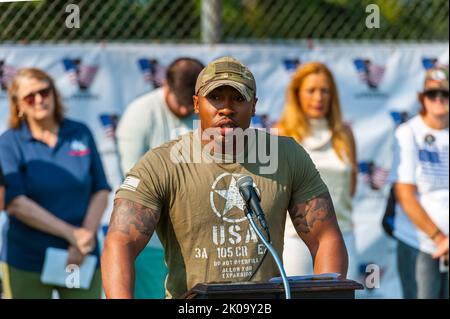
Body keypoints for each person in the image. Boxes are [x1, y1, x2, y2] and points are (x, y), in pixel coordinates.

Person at [102, 56, 348, 299]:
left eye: (238, 98)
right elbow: (120, 242)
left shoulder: (286, 156)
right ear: (197, 104)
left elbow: (325, 238)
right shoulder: (162, 163)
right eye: (215, 97)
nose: (227, 108)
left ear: (254, 105)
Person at [0, 68, 111, 298]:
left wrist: (84, 238)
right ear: (18, 105)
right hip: (28, 259)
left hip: (78, 257)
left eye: (44, 91)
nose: (39, 100)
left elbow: (100, 189)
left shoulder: (80, 132)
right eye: (30, 97)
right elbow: (15, 202)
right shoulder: (10, 142)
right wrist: (71, 233)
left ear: (54, 93)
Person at [116, 57, 204, 299]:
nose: (187, 110)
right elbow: (133, 179)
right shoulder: (140, 114)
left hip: (198, 240)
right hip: (151, 239)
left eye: (192, 104)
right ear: (165, 84)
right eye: (181, 102)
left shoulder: (208, 113)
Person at [275, 62, 358, 280]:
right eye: (311, 90)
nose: (318, 97)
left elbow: (352, 184)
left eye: (325, 90)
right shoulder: (281, 133)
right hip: (294, 239)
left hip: (342, 233)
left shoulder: (345, 133)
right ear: (297, 94)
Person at [389, 66, 449, 299]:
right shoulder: (408, 132)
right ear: (422, 98)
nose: (439, 100)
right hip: (420, 243)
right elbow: (404, 194)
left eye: (445, 94)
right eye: (432, 94)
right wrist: (440, 239)